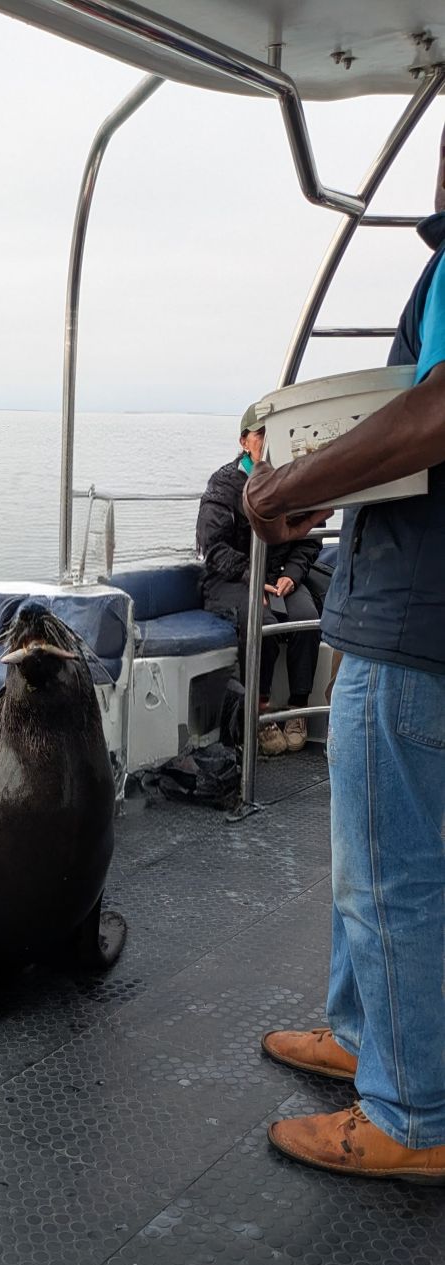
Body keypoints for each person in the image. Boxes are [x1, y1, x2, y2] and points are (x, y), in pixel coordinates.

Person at [242, 122, 445, 1184]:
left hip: (415, 619)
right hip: (419, 612)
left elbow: (437, 408)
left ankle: (411, 1112)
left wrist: (285, 489)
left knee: (390, 875)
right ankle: (368, 1034)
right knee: (384, 860)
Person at [196, 406, 322, 755]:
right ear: (244, 442)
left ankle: (298, 710)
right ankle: (258, 712)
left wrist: (292, 576)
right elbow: (212, 546)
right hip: (230, 577)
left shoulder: (290, 480)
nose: (267, 442)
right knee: (260, 621)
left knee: (307, 620)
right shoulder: (223, 484)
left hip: (279, 577)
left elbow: (309, 538)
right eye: (260, 435)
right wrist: (251, 575)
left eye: (273, 434)